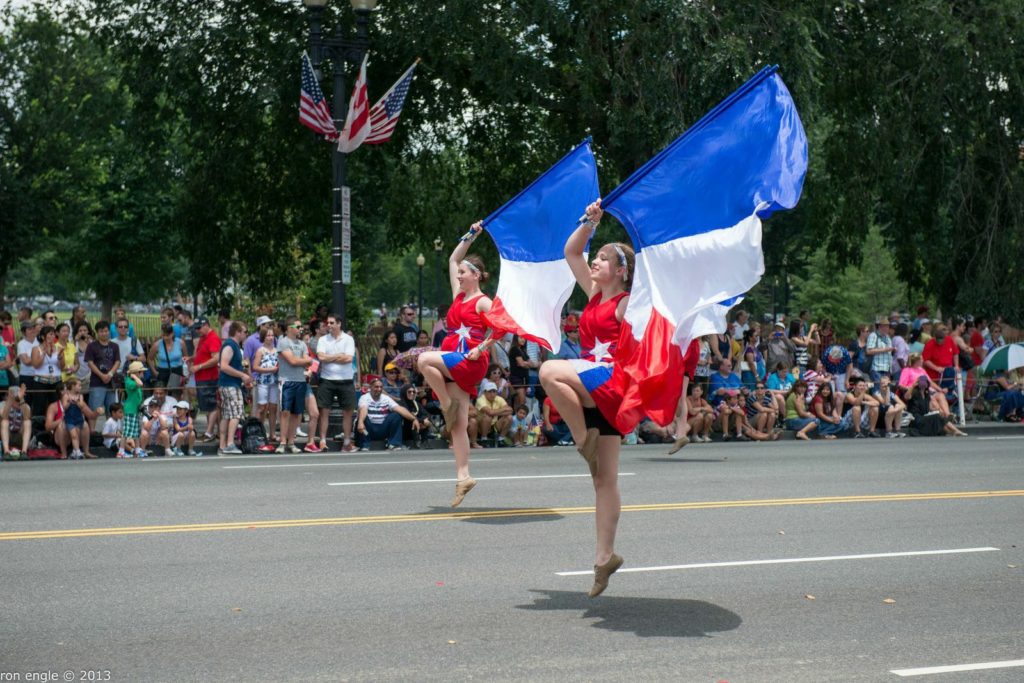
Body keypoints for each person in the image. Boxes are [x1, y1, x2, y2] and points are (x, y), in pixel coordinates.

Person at [538, 199, 632, 597]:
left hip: (609, 380)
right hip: (591, 385)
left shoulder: (626, 302)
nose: (595, 263)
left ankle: (581, 439)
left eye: (604, 259)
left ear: (621, 271)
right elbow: (571, 251)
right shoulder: (594, 292)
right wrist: (590, 223)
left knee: (547, 370)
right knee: (604, 479)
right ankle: (602, 559)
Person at [416, 222, 497, 508]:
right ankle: (463, 477)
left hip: (469, 361)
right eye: (459, 273)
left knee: (424, 359)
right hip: (453, 362)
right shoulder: (458, 296)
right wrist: (471, 235)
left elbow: (504, 328)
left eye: (463, 273)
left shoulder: (483, 302)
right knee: (459, 426)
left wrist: (482, 347)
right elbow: (452, 258)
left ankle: (445, 403)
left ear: (475, 276)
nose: (459, 275)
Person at [277, 317, 312, 454]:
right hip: (287, 380)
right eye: (297, 326)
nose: (300, 329)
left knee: (297, 413)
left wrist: (303, 360)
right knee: (285, 411)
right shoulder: (283, 342)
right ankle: (282, 442)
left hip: (300, 380)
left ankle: (291, 442)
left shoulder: (302, 344)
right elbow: (292, 361)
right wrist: (303, 360)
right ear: (289, 328)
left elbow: (309, 361)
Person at [356, 378, 416, 451]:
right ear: (370, 387)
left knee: (396, 415)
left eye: (381, 387)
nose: (379, 389)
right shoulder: (364, 397)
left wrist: (414, 419)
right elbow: (363, 409)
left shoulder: (386, 398)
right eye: (376, 387)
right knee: (362, 418)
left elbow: (399, 409)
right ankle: (365, 445)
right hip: (368, 431)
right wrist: (360, 422)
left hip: (383, 429)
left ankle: (394, 444)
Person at [189, 317, 221, 442]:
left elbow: (216, 359)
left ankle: (209, 432)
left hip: (209, 377)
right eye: (196, 328)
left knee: (211, 405)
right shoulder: (203, 338)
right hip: (202, 377)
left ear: (206, 325)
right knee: (207, 406)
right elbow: (201, 355)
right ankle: (211, 431)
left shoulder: (213, 338)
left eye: (199, 328)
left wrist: (199, 366)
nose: (197, 330)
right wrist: (192, 359)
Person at [252, 327, 280, 443]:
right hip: (263, 381)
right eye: (268, 335)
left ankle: (272, 433)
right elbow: (255, 367)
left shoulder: (277, 350)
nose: (270, 338)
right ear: (264, 337)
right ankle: (258, 432)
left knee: (273, 408)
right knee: (262, 407)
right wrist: (269, 369)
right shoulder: (261, 350)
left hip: (274, 382)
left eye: (272, 335)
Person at [30, 325, 62, 417]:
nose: (53, 337)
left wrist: (60, 358)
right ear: (43, 336)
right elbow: (36, 365)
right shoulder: (36, 349)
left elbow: (62, 367)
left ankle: (55, 428)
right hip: (40, 382)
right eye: (50, 334)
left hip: (56, 381)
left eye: (53, 334)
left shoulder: (58, 348)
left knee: (56, 405)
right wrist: (44, 353)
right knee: (39, 406)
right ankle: (38, 429)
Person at [148, 323, 186, 390]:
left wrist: (186, 372)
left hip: (177, 371)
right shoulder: (157, 345)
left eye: (167, 335)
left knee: (175, 393)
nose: (165, 338)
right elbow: (150, 359)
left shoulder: (180, 343)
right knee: (162, 393)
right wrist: (154, 371)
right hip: (162, 372)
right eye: (163, 335)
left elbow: (186, 358)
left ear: (172, 334)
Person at [121, 361, 147, 457]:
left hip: (135, 410)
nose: (143, 373)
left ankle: (137, 450)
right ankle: (121, 451)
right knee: (126, 432)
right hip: (130, 410)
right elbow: (140, 383)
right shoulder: (129, 381)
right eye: (141, 372)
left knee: (136, 432)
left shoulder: (133, 381)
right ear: (136, 372)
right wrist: (134, 376)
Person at [475, 380, 512, 445]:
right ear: (485, 392)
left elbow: (510, 410)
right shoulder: (480, 399)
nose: (492, 394)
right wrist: (503, 410)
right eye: (490, 391)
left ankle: (501, 439)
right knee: (487, 417)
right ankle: (484, 439)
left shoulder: (499, 398)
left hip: (494, 425)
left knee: (509, 417)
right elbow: (490, 412)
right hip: (480, 426)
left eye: (494, 391)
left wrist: (495, 412)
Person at [872, 374, 907, 438]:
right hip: (880, 416)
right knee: (891, 407)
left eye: (886, 384)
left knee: (897, 406)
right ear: (879, 384)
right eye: (882, 383)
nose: (884, 385)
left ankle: (897, 431)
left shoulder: (892, 394)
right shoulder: (877, 393)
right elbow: (886, 403)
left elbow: (903, 405)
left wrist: (896, 409)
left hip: (890, 414)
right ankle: (888, 432)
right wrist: (888, 390)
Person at [1, 386, 32, 458]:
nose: (15, 399)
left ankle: (24, 452)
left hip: (20, 436)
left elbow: (27, 416)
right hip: (7, 436)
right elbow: (4, 416)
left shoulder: (25, 405)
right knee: (4, 422)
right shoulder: (2, 404)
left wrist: (21, 400)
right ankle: (6, 452)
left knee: (27, 422)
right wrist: (10, 401)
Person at [866, 319, 895, 385]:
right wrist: (885, 349)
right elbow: (868, 351)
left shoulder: (888, 337)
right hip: (877, 369)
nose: (887, 328)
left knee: (885, 391)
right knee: (877, 390)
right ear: (879, 327)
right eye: (885, 326)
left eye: (888, 326)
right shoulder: (873, 335)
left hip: (887, 369)